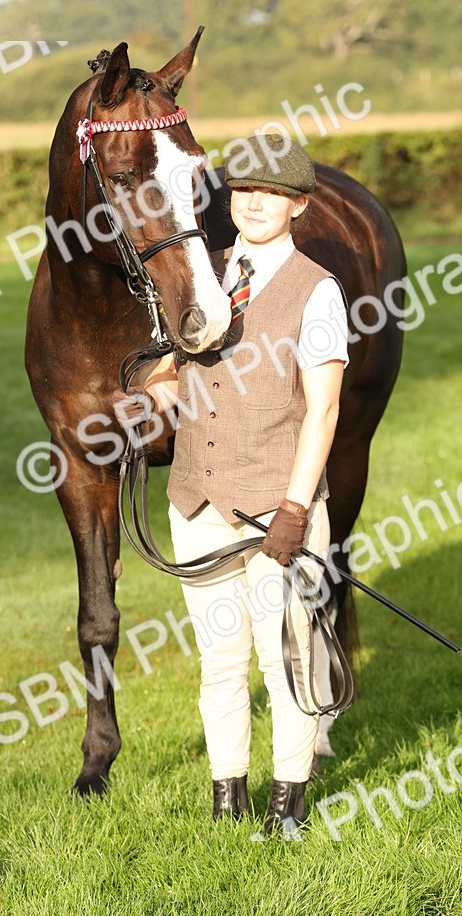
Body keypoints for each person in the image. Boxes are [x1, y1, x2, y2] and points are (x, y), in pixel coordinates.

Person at [114, 135, 349, 836]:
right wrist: (150, 401)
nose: (253, 203)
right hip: (197, 502)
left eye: (271, 194)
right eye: (244, 190)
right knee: (219, 662)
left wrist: (296, 510)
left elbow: (325, 408)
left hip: (280, 508)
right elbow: (167, 368)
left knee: (287, 660)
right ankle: (227, 800)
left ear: (298, 206)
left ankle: (288, 804)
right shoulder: (201, 272)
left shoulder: (318, 289)